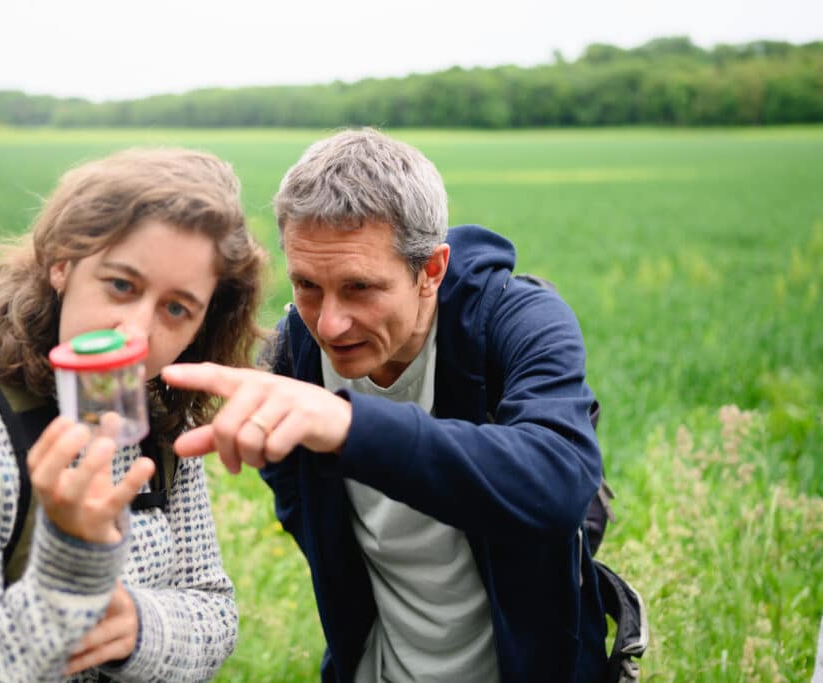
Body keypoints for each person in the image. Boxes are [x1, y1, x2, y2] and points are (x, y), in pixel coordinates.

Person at [162, 128, 607, 681]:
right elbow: (301, 496)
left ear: (432, 271)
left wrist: (347, 423)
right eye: (306, 285)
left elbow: (559, 480)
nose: (329, 323)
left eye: (359, 288)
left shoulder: (517, 323)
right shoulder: (296, 350)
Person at [0, 147, 265, 681]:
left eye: (176, 308)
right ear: (63, 264)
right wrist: (69, 576)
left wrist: (136, 628)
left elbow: (213, 610)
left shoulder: (154, 407)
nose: (136, 334)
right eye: (122, 285)